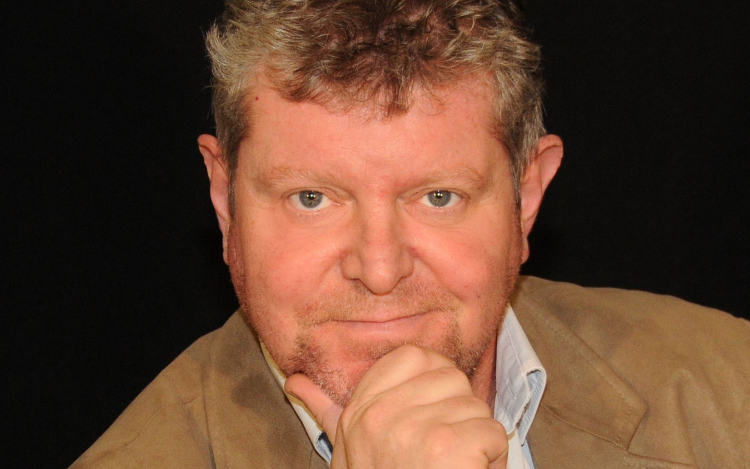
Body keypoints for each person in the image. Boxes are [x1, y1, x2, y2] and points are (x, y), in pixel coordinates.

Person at [71, 1, 750, 468]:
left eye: (437, 197)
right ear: (226, 204)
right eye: (312, 198)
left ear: (526, 198)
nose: (379, 269)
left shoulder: (731, 382)